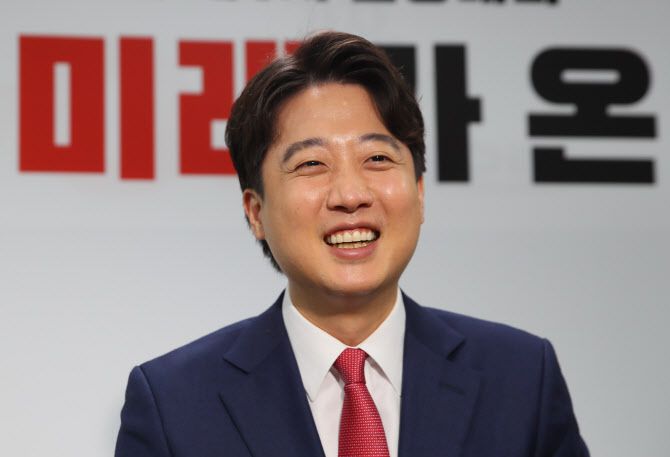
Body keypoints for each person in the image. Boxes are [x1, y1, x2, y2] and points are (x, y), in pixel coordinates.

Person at [115, 31, 589, 457]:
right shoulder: (173, 404)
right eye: (312, 164)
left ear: (419, 192)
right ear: (256, 212)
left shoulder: (521, 379)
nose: (350, 195)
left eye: (377, 158)